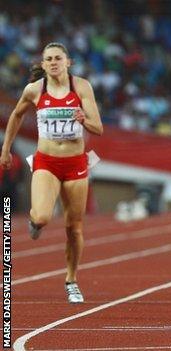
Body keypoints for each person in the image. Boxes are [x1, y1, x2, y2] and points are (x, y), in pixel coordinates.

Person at [0, 42, 104, 303]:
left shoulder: (82, 87)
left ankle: (71, 280)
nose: (54, 62)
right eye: (49, 59)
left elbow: (98, 128)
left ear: (68, 62)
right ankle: (36, 222)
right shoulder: (35, 90)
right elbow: (15, 116)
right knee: (44, 216)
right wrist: (5, 149)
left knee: (74, 228)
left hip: (76, 163)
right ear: (43, 64)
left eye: (59, 58)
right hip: (46, 161)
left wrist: (83, 120)